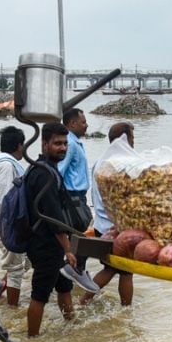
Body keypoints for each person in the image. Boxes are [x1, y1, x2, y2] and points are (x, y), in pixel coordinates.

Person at [23, 123, 77, 337]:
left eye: (65, 144)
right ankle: (32, 339)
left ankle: (71, 324)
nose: (62, 148)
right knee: (40, 294)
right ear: (44, 144)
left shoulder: (42, 167)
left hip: (45, 240)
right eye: (57, 143)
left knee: (64, 285)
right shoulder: (45, 174)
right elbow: (54, 218)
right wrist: (68, 249)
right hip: (45, 244)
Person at [81, 122, 135, 306]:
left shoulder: (100, 162)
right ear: (125, 138)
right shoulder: (121, 164)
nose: (134, 141)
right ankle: (125, 310)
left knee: (112, 269)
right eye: (132, 137)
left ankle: (85, 302)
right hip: (114, 231)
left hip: (99, 227)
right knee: (124, 272)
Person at [0, 126, 30, 307]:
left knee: (21, 263)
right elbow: (5, 201)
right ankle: (12, 308)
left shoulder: (0, 162)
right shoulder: (7, 166)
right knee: (16, 269)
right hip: (9, 226)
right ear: (19, 145)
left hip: (5, 224)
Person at [58, 108, 97, 291]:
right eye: (83, 122)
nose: (86, 125)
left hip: (79, 196)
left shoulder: (76, 143)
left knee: (80, 236)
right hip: (73, 197)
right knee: (83, 235)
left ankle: (75, 269)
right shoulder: (71, 144)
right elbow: (59, 171)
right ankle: (75, 269)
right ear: (72, 124)